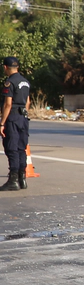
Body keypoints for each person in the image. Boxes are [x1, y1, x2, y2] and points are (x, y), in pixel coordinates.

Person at [0, 56, 31, 191]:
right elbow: (28, 102)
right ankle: (22, 179)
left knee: (11, 148)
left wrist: (2, 123)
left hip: (12, 117)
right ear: (17, 67)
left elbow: (8, 104)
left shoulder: (9, 82)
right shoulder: (25, 82)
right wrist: (24, 114)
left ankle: (13, 181)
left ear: (5, 67)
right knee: (21, 148)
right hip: (23, 118)